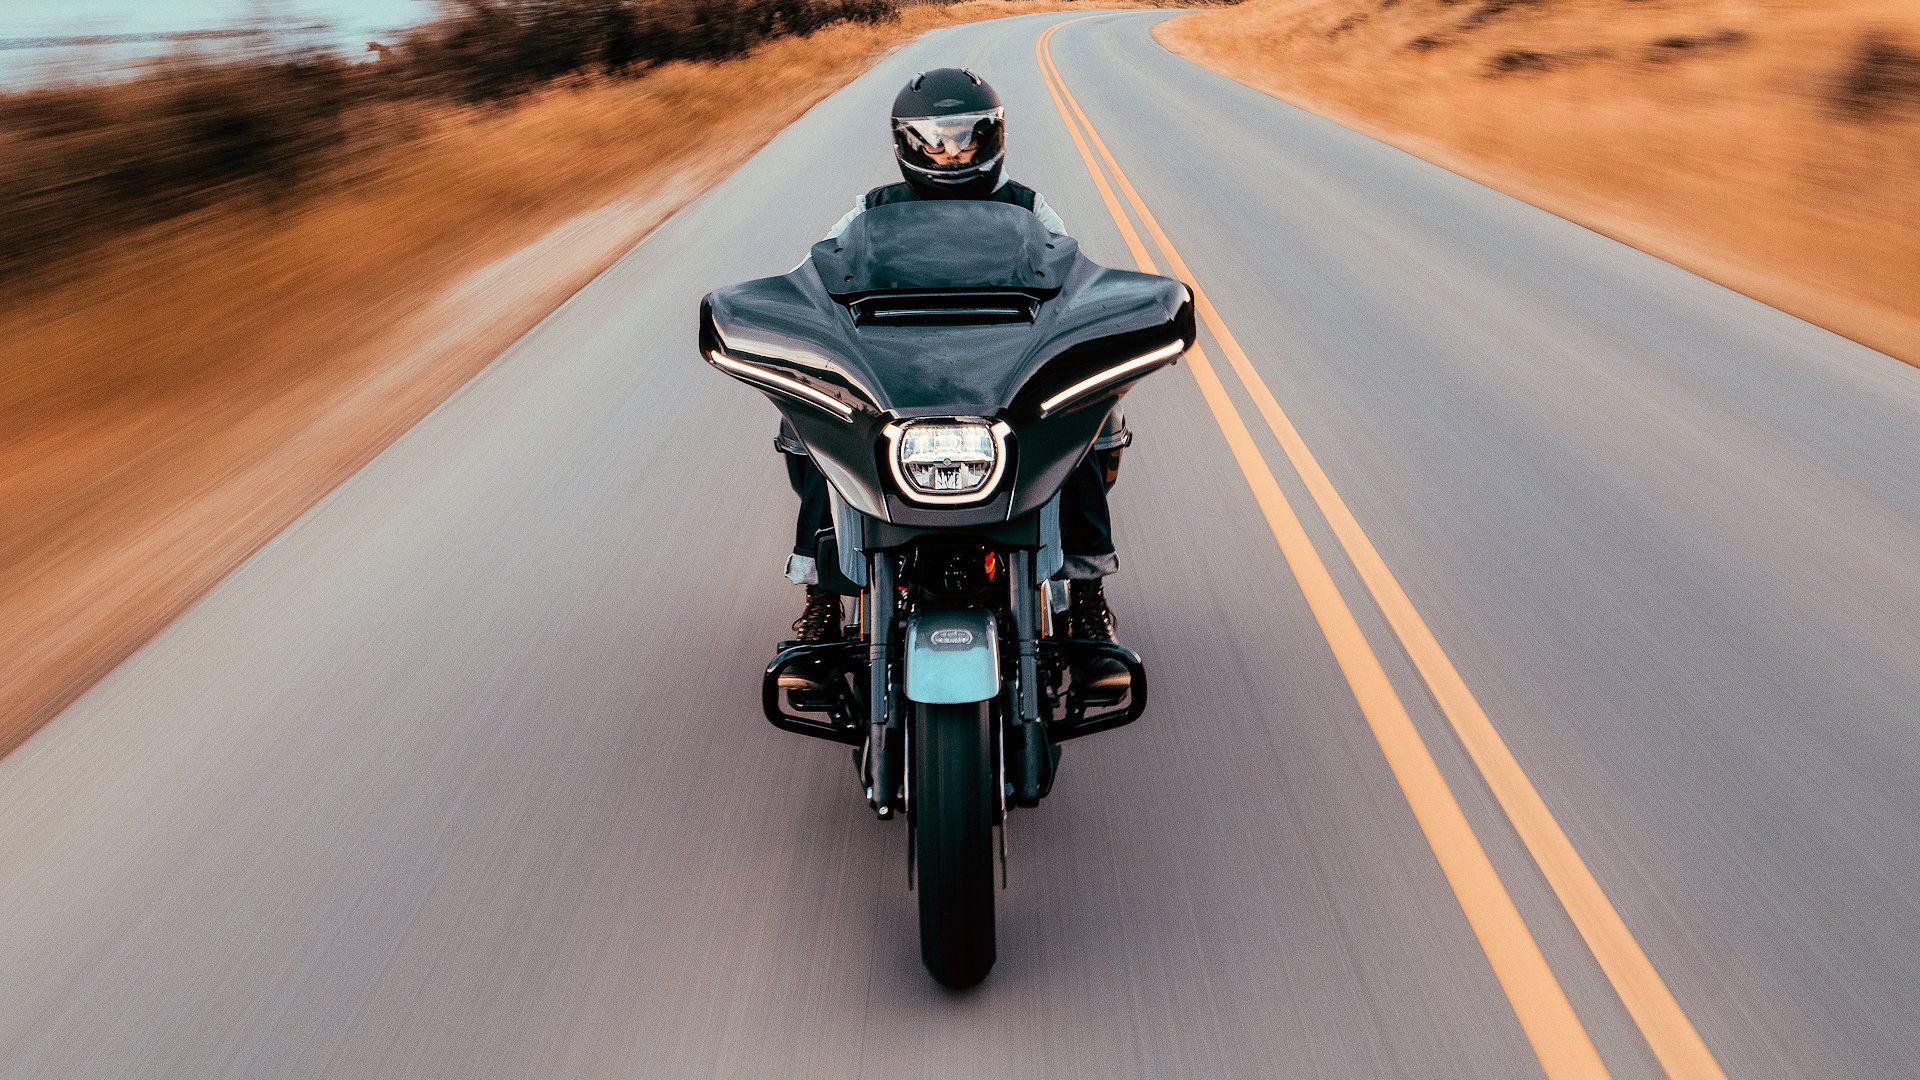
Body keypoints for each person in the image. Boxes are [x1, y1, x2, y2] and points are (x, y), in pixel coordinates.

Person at [781, 68, 1130, 667]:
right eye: (933, 140)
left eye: (966, 137)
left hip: (1002, 377)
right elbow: (815, 280)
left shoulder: (1030, 208)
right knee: (817, 415)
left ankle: (1089, 587)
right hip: (900, 378)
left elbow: (1074, 280)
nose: (950, 154)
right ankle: (822, 593)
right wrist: (798, 320)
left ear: (993, 138)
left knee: (1088, 412)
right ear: (905, 145)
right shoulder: (869, 212)